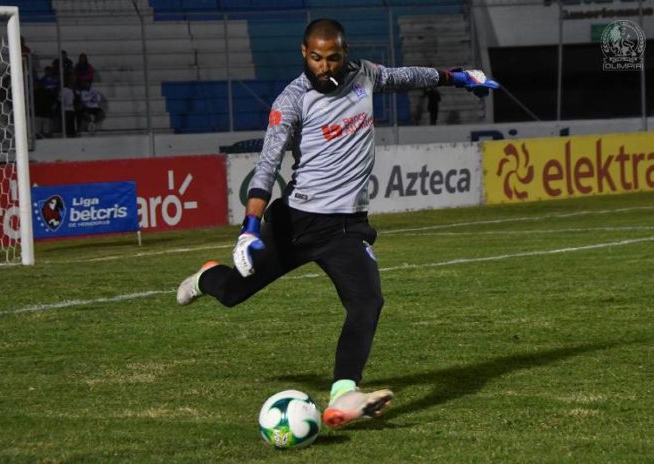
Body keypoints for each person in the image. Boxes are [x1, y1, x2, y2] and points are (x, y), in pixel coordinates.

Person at [177, 18, 498, 428]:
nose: (324, 66)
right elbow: (266, 166)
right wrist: (249, 228)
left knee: (367, 301)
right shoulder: (290, 101)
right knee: (234, 293)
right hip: (295, 223)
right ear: (303, 53)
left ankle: (344, 394)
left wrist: (458, 77)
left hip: (345, 227)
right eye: (316, 58)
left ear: (345, 53)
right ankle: (207, 278)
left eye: (333, 58)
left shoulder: (364, 75)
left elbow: (410, 76)